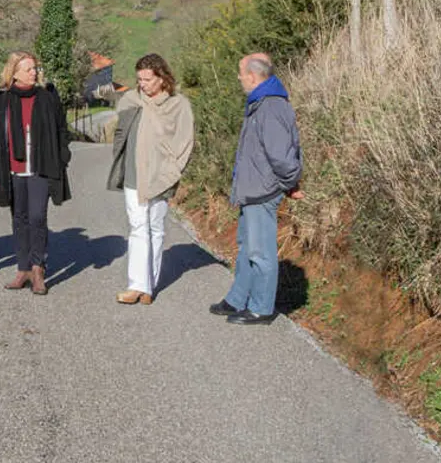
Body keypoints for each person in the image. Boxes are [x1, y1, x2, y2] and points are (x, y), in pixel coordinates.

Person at [211, 53, 303, 325]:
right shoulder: (261, 103)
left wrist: (289, 183)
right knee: (248, 247)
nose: (239, 77)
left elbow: (283, 156)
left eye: (241, 72)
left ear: (252, 75)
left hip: (263, 190)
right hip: (254, 189)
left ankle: (261, 308)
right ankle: (238, 299)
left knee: (260, 251)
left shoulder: (270, 107)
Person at [107, 54, 194, 305]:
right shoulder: (132, 100)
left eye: (147, 79)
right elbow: (121, 126)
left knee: (156, 228)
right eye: (139, 79)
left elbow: (185, 142)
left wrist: (173, 170)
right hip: (134, 175)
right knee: (137, 227)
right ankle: (137, 285)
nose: (142, 84)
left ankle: (150, 285)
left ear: (161, 77)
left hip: (162, 176)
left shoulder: (179, 105)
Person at [0, 51, 71, 296]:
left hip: (40, 168)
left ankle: (38, 268)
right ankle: (22, 268)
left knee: (37, 217)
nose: (34, 72)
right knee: (19, 219)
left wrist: (63, 156)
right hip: (12, 169)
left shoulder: (47, 97)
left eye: (35, 68)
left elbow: (61, 129)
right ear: (14, 73)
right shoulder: (1, 99)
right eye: (28, 69)